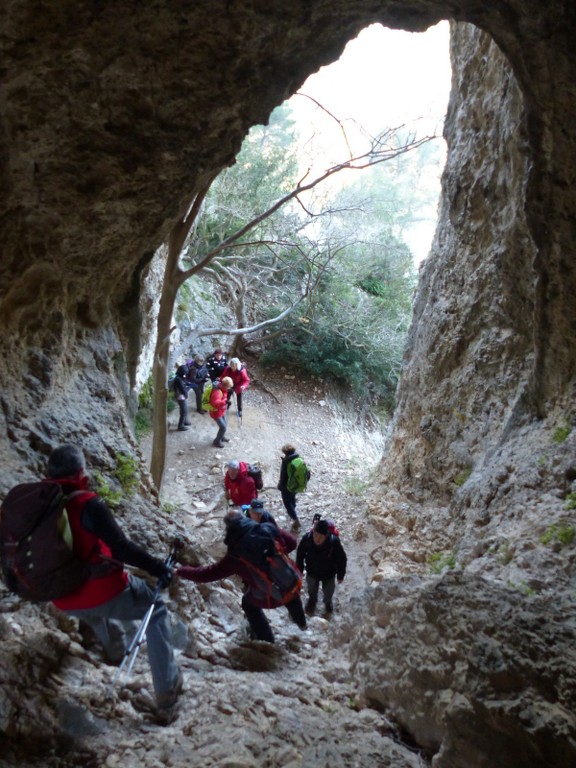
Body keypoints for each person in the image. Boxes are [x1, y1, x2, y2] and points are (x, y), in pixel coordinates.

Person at [45, 444, 182, 724]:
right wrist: (158, 568)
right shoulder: (88, 503)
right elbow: (121, 548)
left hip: (59, 597)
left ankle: (115, 652)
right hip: (99, 590)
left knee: (94, 610)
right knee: (154, 609)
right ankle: (167, 690)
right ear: (81, 472)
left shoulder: (40, 504)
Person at [177, 510, 306, 644]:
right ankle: (303, 626)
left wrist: (182, 570)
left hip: (269, 597)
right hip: (291, 581)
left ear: (228, 529)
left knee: (248, 603)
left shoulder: (234, 556)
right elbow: (292, 542)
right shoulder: (268, 529)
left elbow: (207, 574)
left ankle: (267, 641)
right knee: (291, 594)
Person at [296, 518, 347, 615]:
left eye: (321, 537)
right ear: (313, 532)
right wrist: (300, 570)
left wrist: (341, 575)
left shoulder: (333, 542)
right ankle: (312, 600)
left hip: (329, 573)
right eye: (316, 535)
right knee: (311, 589)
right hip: (311, 571)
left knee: (328, 591)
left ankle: (328, 602)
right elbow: (300, 555)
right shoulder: (307, 539)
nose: (317, 539)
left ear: (326, 536)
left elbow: (342, 559)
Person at [277, 443, 303, 529]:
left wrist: (280, 486)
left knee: (287, 504)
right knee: (292, 498)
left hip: (287, 487)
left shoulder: (286, 462)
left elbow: (283, 476)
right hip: (296, 485)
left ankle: (295, 519)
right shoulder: (298, 459)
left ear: (285, 452)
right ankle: (293, 509)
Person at [209, 376, 233, 447]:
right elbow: (215, 403)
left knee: (224, 424)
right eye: (228, 387)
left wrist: (227, 397)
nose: (229, 388)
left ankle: (222, 437)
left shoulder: (223, 389)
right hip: (216, 412)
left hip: (221, 410)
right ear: (224, 385)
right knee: (223, 427)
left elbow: (224, 397)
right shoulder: (217, 392)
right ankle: (216, 441)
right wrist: (225, 402)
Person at [172, 364, 190, 431]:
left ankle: (185, 421)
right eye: (185, 373)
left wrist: (187, 383)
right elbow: (182, 389)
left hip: (181, 395)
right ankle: (181, 425)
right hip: (181, 396)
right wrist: (186, 395)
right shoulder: (178, 380)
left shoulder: (179, 377)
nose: (185, 374)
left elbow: (184, 382)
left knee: (184, 410)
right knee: (184, 411)